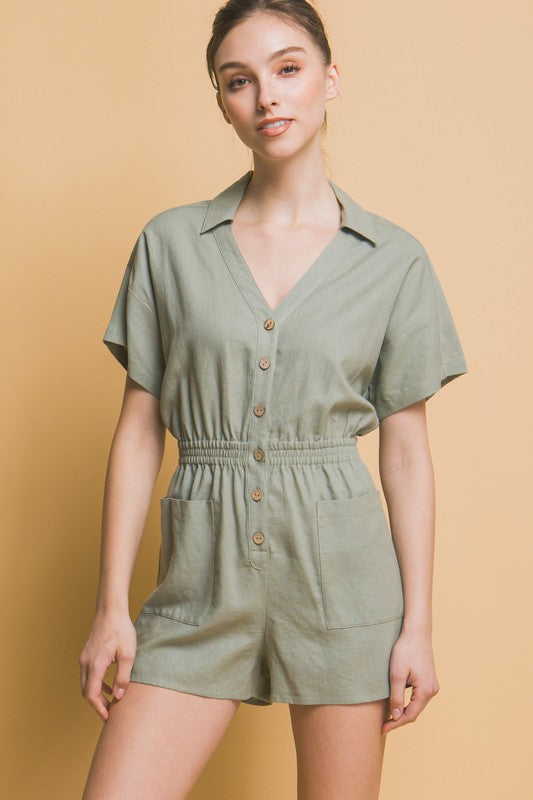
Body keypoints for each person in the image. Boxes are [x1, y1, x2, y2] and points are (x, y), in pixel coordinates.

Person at [80, 1, 468, 798]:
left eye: (287, 69)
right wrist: (111, 607)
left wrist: (417, 628)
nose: (266, 98)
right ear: (221, 100)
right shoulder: (170, 246)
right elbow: (137, 435)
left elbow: (404, 455)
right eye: (238, 81)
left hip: (344, 586)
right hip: (197, 582)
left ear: (330, 79)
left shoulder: (392, 260)